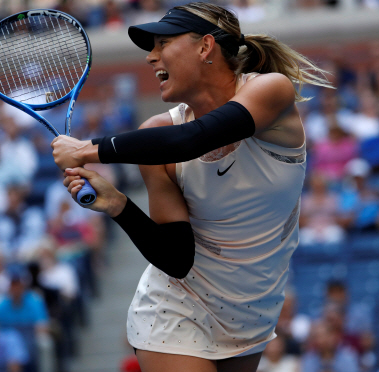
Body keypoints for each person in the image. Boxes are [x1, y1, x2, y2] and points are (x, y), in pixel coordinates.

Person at [51, 2, 331, 371]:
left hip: (254, 314)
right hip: (174, 311)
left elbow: (194, 140)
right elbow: (176, 259)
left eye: (162, 43)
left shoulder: (271, 90)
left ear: (205, 47)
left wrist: (89, 149)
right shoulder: (155, 135)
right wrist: (118, 204)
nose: (151, 58)